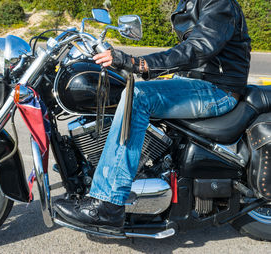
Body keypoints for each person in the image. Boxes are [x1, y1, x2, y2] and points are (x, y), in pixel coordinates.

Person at [54, 0, 251, 229]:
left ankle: (108, 203)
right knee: (125, 90)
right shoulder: (192, 3)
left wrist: (138, 63)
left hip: (218, 89)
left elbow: (197, 49)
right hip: (195, 81)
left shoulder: (220, 3)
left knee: (137, 96)